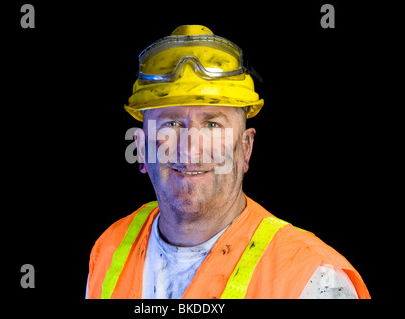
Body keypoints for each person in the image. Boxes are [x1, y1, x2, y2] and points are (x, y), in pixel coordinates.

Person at [86, 25, 370, 299]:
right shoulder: (110, 248)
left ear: (245, 148)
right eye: (170, 123)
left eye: (212, 125)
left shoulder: (314, 279)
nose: (190, 149)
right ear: (141, 148)